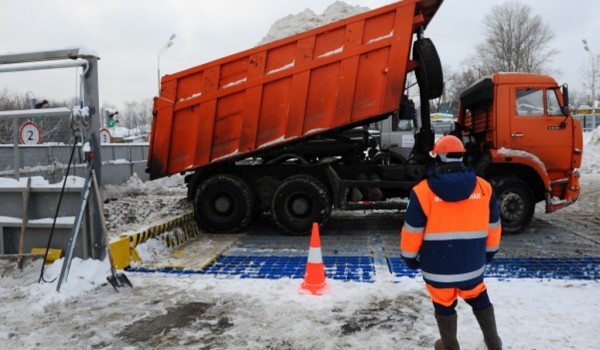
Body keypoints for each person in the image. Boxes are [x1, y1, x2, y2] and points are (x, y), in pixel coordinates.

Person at [400, 135, 502, 350]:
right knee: (480, 298)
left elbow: (412, 231)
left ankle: (450, 345)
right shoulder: (484, 188)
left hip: (438, 271)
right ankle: (494, 342)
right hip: (472, 266)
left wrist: (410, 258)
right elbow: (494, 226)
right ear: (462, 156)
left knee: (444, 305)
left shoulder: (422, 192)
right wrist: (489, 253)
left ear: (437, 157)